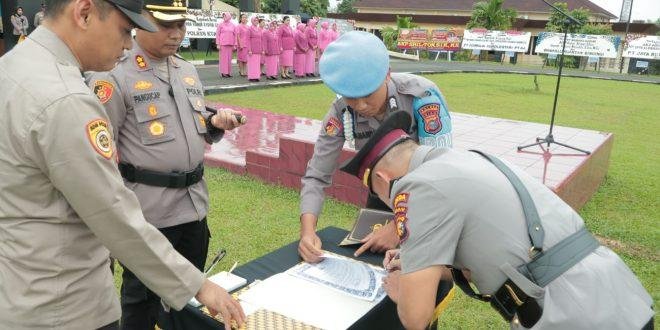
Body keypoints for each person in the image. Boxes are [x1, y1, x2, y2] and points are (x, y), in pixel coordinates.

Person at [0, 0, 245, 329]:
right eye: (125, 30)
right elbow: (111, 212)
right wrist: (198, 285)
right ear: (84, 13)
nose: (129, 43)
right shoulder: (66, 98)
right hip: (64, 304)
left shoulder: (14, 66)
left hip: (24, 282)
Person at [340, 111, 654, 330]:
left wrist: (403, 289)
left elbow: (415, 318)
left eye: (378, 193)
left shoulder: (417, 185)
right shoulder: (470, 158)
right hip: (614, 295)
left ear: (382, 178)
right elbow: (483, 250)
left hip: (577, 316)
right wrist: (418, 262)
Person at [86, 1, 246, 329]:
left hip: (193, 207)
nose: (176, 34)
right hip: (149, 214)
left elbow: (194, 123)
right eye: (165, 25)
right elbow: (99, 152)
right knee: (141, 302)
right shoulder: (114, 75)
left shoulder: (185, 70)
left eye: (182, 26)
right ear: (140, 22)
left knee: (186, 298)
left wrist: (214, 122)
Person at [298, 31, 453, 264]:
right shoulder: (340, 112)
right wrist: (308, 231)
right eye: (351, 97)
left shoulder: (422, 96)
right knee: (373, 266)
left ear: (387, 75)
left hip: (428, 199)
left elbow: (441, 173)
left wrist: (397, 226)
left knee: (420, 271)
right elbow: (317, 175)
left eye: (368, 94)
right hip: (381, 195)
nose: (360, 106)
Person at [216, 12, 236, 78]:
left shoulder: (233, 25)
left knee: (229, 59)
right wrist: (218, 44)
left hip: (230, 44)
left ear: (229, 17)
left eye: (225, 16)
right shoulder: (220, 24)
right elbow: (217, 34)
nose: (224, 17)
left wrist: (235, 44)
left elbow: (235, 35)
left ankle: (228, 72)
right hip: (223, 44)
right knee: (223, 59)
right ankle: (223, 72)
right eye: (223, 16)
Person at [246, 15, 263, 82]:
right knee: (252, 63)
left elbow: (261, 39)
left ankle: (256, 76)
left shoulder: (259, 29)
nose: (256, 22)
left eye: (257, 20)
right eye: (255, 20)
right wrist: (249, 49)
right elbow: (247, 40)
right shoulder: (249, 29)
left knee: (257, 63)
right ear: (252, 21)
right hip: (252, 49)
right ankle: (251, 77)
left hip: (258, 48)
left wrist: (262, 48)